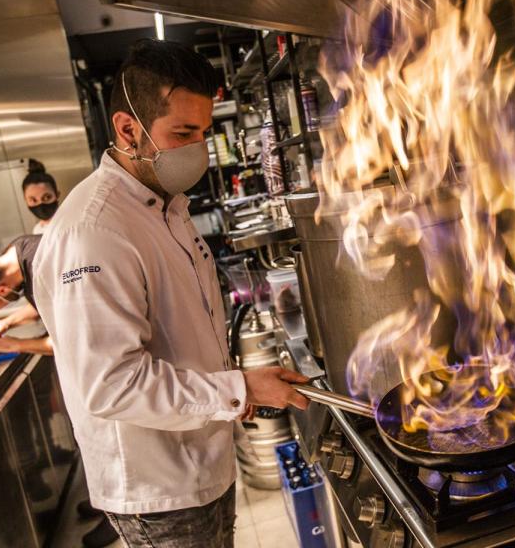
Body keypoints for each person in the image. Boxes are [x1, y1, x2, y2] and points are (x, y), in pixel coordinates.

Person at [33, 39, 309, 548]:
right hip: (159, 489)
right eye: (182, 133)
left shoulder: (165, 204)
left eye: (203, 132)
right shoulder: (95, 232)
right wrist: (239, 389)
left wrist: (231, 389)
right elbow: (111, 384)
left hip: (201, 460)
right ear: (127, 128)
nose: (197, 149)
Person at [0, 234, 120, 547]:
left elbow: (70, 341)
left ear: (0, 290)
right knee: (97, 447)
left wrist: (16, 345)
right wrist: (10, 321)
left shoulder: (45, 267)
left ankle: (120, 519)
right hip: (95, 374)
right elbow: (42, 301)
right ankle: (107, 504)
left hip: (109, 366)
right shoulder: (17, 251)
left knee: (113, 447)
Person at [23, 158, 60, 235]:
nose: (41, 204)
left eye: (47, 197)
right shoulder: (37, 230)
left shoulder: (72, 223)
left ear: (57, 195)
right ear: (26, 201)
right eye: (33, 200)